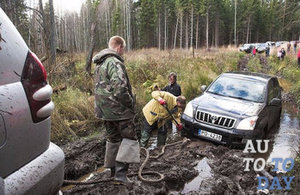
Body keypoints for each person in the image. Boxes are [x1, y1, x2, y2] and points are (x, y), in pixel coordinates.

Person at [92, 36, 140, 184]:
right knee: (129, 140)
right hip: (119, 111)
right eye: (123, 49)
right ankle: (120, 175)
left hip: (104, 111)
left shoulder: (100, 63)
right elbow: (120, 88)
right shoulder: (115, 62)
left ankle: (112, 172)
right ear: (119, 47)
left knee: (113, 139)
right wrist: (130, 103)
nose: (123, 52)